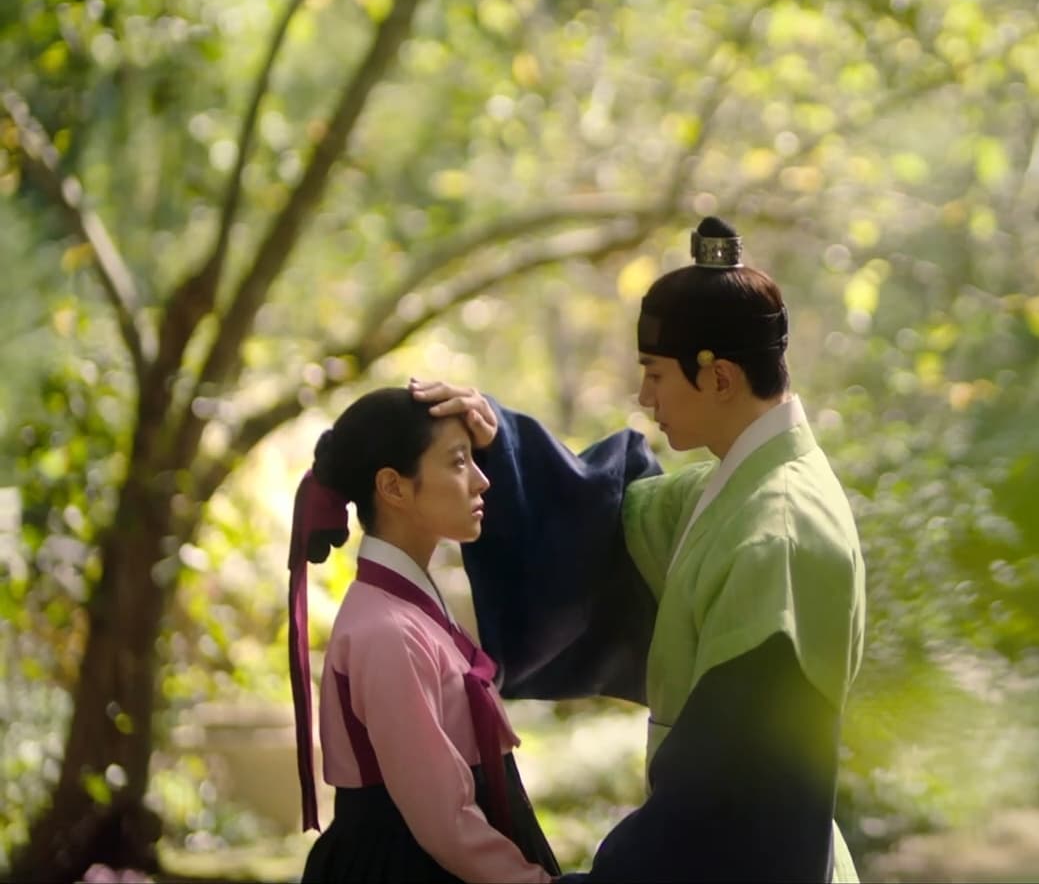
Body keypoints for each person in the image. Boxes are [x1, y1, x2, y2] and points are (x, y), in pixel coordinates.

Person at [413, 215, 867, 882]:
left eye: (655, 375)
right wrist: (497, 442)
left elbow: (732, 779)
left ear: (719, 378)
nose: (644, 397)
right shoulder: (737, 488)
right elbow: (603, 513)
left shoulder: (774, 532)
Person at [284, 386, 560, 883]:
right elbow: (443, 819)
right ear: (393, 487)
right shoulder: (387, 631)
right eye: (458, 462)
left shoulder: (408, 607)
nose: (481, 480)